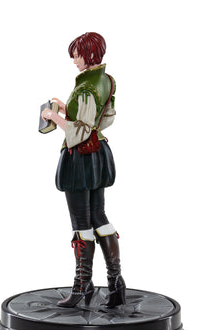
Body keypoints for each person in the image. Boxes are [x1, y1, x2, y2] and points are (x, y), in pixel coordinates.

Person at [41, 32, 125, 308]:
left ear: (89, 54)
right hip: (99, 155)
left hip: (81, 159)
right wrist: (69, 109)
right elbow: (105, 118)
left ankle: (82, 286)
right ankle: (116, 285)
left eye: (77, 55)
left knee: (81, 222)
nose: (74, 60)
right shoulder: (106, 80)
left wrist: (54, 117)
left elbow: (80, 131)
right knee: (99, 216)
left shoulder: (87, 87)